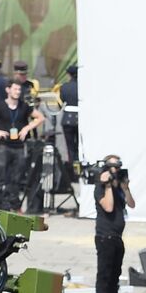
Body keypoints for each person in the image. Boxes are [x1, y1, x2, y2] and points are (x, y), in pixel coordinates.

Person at [0, 79, 42, 210]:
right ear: (8, 90)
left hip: (19, 146)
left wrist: (27, 128)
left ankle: (14, 204)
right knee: (0, 177)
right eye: (15, 89)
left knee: (17, 177)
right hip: (3, 146)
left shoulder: (23, 106)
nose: (17, 92)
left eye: (19, 90)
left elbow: (40, 117)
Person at [93, 154, 134, 293]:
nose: (115, 170)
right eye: (112, 167)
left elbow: (132, 204)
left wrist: (125, 188)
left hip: (117, 237)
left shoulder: (118, 188)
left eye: (117, 167)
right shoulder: (100, 188)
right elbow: (108, 207)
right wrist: (108, 185)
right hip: (105, 237)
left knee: (115, 277)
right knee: (104, 276)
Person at [57, 65, 80, 202]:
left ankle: (73, 173)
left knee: (70, 148)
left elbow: (60, 103)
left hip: (68, 118)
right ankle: (79, 171)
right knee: (79, 147)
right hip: (80, 118)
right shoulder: (83, 86)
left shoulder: (64, 87)